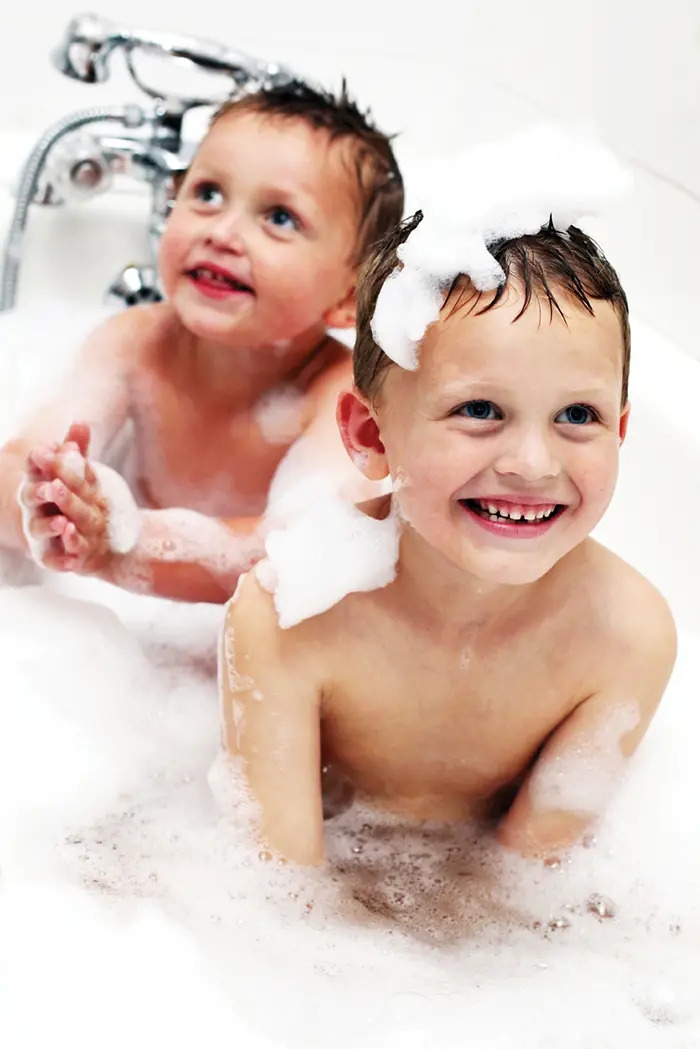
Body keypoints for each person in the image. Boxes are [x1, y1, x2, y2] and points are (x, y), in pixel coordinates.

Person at [220, 209, 676, 865]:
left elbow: (526, 881)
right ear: (371, 436)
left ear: (622, 430)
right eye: (480, 409)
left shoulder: (627, 635)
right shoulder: (288, 615)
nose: (533, 463)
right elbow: (272, 888)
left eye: (578, 414)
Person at [2, 80, 403, 602]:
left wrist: (122, 545)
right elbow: (19, 462)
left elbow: (293, 555)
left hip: (237, 638)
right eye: (207, 193)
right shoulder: (134, 341)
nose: (222, 232)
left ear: (350, 297)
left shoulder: (341, 400)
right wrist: (48, 506)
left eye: (279, 217)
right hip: (117, 619)